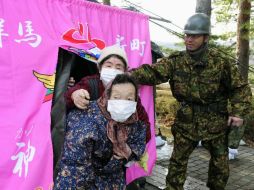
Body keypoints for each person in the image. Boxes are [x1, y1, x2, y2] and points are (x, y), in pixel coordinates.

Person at [130, 13, 252, 190]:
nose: (189, 39)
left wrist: (238, 112)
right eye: (187, 35)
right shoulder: (176, 61)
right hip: (186, 122)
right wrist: (129, 75)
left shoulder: (220, 62)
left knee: (220, 166)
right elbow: (153, 73)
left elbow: (240, 87)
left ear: (205, 38)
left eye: (194, 36)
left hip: (215, 123)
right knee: (177, 163)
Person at [53, 74, 147, 190]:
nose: (123, 103)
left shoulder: (134, 122)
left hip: (115, 181)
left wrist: (128, 152)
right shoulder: (86, 119)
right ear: (108, 96)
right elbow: (74, 168)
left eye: (129, 99)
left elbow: (139, 143)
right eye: (117, 97)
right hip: (85, 182)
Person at [65, 44, 151, 142]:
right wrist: (74, 95)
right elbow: (66, 99)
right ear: (100, 68)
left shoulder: (130, 92)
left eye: (118, 67)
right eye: (108, 65)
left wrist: (129, 146)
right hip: (91, 147)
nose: (113, 70)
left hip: (118, 149)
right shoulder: (90, 83)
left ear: (125, 71)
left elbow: (145, 128)